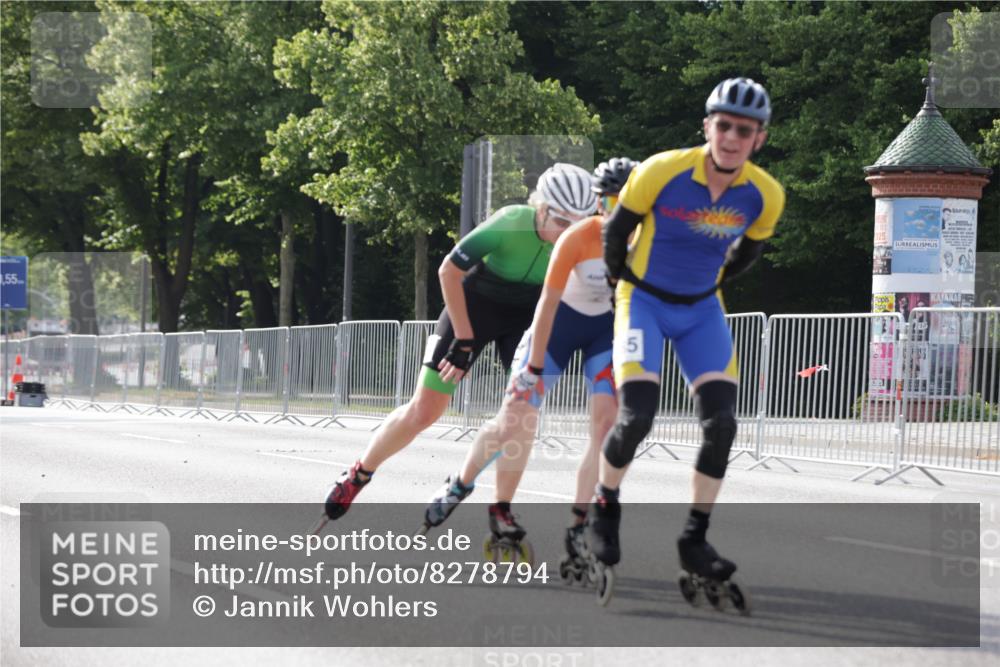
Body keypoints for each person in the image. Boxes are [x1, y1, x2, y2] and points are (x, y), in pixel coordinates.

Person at [592, 77, 785, 604]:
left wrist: (708, 284)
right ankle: (605, 505)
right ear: (707, 126)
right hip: (643, 302)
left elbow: (748, 253)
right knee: (637, 417)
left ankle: (694, 539)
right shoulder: (662, 171)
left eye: (744, 130)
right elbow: (615, 232)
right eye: (723, 126)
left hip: (701, 310)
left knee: (722, 425)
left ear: (759, 138)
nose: (731, 138)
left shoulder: (765, 194)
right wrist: (621, 283)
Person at [318, 163, 598, 526]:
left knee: (523, 417)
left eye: (577, 224)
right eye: (561, 222)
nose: (567, 234)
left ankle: (500, 509)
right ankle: (359, 474)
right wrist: (464, 339)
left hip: (525, 318)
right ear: (541, 207)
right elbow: (448, 271)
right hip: (473, 308)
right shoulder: (511, 221)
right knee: (425, 411)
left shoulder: (582, 239)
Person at [419, 158, 638, 570]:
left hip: (603, 334)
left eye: (630, 204)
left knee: (607, 423)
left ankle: (579, 524)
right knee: (514, 420)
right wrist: (534, 367)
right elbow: (547, 304)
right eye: (610, 204)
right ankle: (461, 484)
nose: (620, 214)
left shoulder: (649, 241)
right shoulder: (579, 235)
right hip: (556, 328)